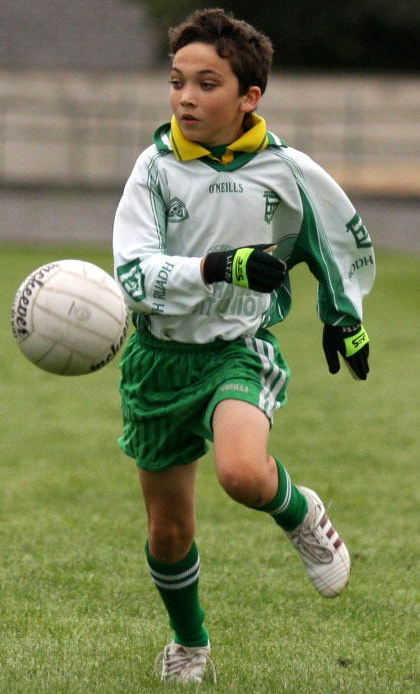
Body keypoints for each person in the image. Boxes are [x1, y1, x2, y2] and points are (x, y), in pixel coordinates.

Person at [113, 8, 375, 684]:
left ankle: (301, 510)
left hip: (238, 347)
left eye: (207, 84)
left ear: (248, 97)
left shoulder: (287, 170)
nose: (186, 98)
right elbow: (133, 273)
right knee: (169, 532)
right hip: (157, 359)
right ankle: (190, 641)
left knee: (241, 472)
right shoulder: (155, 167)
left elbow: (334, 238)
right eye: (177, 82)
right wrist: (219, 264)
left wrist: (345, 317)